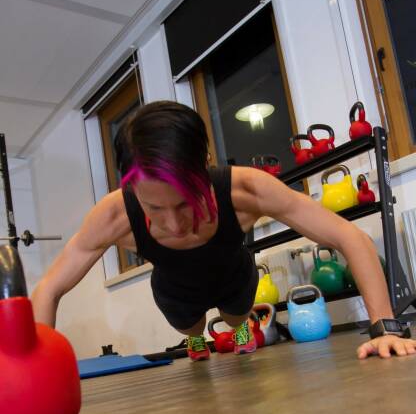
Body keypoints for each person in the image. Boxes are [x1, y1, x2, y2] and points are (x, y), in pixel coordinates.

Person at [31, 101, 416, 361]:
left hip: (234, 277)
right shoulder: (114, 215)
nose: (174, 224)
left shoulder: (246, 190)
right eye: (154, 208)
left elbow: (350, 237)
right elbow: (49, 288)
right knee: (193, 328)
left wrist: (385, 327)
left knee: (235, 320)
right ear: (130, 187)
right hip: (175, 291)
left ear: (207, 166)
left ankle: (241, 326)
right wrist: (34, 366)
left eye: (185, 203)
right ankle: (196, 337)